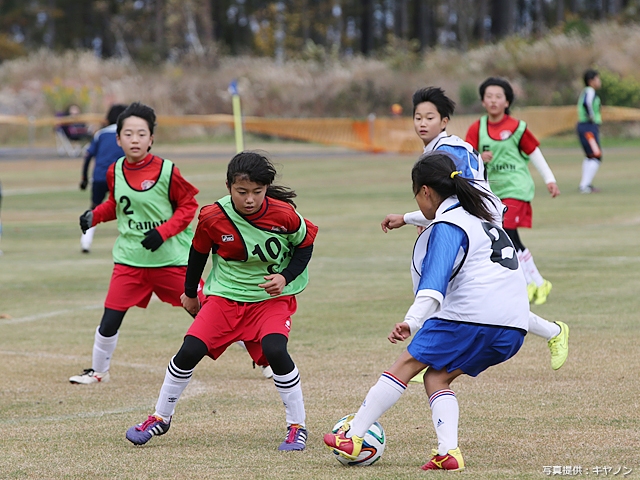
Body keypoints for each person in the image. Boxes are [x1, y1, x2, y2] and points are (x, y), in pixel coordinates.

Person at [325, 152, 529, 471]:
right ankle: (448, 452)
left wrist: (412, 321)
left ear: (424, 191)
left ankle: (353, 435)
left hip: (470, 316)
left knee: (406, 363)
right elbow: (439, 214)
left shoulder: (448, 227)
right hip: (514, 327)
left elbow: (432, 288)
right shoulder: (483, 212)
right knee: (436, 377)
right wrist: (407, 218)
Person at [125, 151, 318, 452]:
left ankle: (297, 426)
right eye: (242, 192)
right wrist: (190, 294)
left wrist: (285, 277)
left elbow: (305, 245)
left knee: (275, 349)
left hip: (269, 300)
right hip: (225, 297)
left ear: (267, 188)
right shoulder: (213, 216)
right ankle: (160, 417)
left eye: (257, 191)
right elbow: (198, 253)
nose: (250, 199)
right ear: (228, 186)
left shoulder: (284, 215)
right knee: (189, 350)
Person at [382, 87, 568, 372]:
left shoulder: (447, 152)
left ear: (444, 121)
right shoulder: (444, 149)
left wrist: (413, 219)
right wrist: (415, 220)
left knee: (450, 292)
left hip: (475, 230)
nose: (422, 123)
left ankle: (425, 355)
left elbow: (458, 202)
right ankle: (554, 332)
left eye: (429, 117)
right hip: (474, 225)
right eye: (417, 117)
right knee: (481, 303)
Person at [69, 102, 204, 385]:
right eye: (128, 134)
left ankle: (265, 359)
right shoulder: (114, 170)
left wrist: (163, 232)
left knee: (210, 312)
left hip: (171, 260)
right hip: (130, 260)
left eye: (141, 134)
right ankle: (98, 372)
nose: (134, 139)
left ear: (151, 138)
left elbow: (188, 206)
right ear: (117, 139)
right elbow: (116, 205)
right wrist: (94, 216)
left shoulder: (167, 171)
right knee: (110, 318)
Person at [465, 77, 560, 306]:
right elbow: (465, 156)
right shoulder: (477, 128)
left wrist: (550, 179)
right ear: (483, 101)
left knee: (506, 232)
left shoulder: (517, 127)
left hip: (516, 188)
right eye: (489, 97)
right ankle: (537, 281)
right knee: (507, 236)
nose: (493, 100)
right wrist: (479, 156)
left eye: (498, 96)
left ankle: (528, 282)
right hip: (492, 192)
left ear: (507, 101)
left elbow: (535, 152)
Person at [79, 104, 128, 253]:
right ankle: (130, 242)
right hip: (119, 177)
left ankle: (85, 241)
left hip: (100, 176)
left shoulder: (101, 134)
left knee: (94, 207)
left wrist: (84, 177)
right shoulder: (126, 134)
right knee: (127, 208)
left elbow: (88, 156)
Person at [576, 69, 603, 194]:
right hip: (588, 127)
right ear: (591, 81)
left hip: (586, 126)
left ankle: (585, 184)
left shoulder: (588, 92)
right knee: (596, 155)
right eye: (597, 79)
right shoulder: (590, 91)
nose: (599, 81)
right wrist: (591, 116)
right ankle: (584, 186)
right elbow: (587, 104)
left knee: (590, 156)